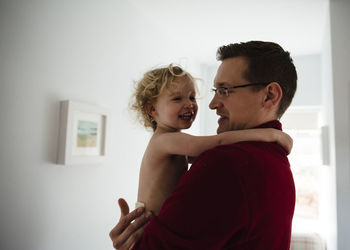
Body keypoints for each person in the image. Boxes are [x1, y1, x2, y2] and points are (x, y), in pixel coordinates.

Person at [110, 41, 297, 250]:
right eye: (216, 90)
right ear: (152, 109)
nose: (211, 104)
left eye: (225, 90)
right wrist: (270, 134)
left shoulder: (226, 163)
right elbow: (211, 144)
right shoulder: (274, 158)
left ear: (270, 95)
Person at [130, 64, 292, 216]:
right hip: (147, 224)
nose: (189, 104)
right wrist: (270, 135)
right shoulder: (163, 141)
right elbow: (218, 143)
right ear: (152, 109)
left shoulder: (174, 144)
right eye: (177, 99)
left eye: (192, 97)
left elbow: (212, 154)